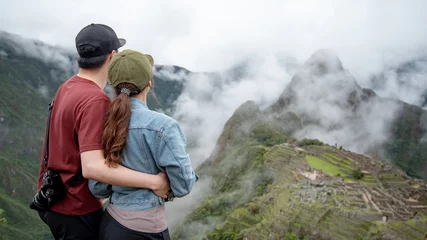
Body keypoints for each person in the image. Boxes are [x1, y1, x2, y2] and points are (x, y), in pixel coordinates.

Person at [35, 24, 170, 240]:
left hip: (53, 201)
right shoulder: (95, 100)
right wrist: (155, 181)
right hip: (76, 208)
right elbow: (92, 168)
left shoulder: (68, 86)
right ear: (112, 56)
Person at [89, 49, 198, 240]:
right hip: (146, 230)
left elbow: (98, 188)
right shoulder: (164, 127)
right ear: (149, 83)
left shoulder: (103, 123)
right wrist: (161, 183)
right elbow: (183, 185)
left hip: (110, 224)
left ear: (113, 85)